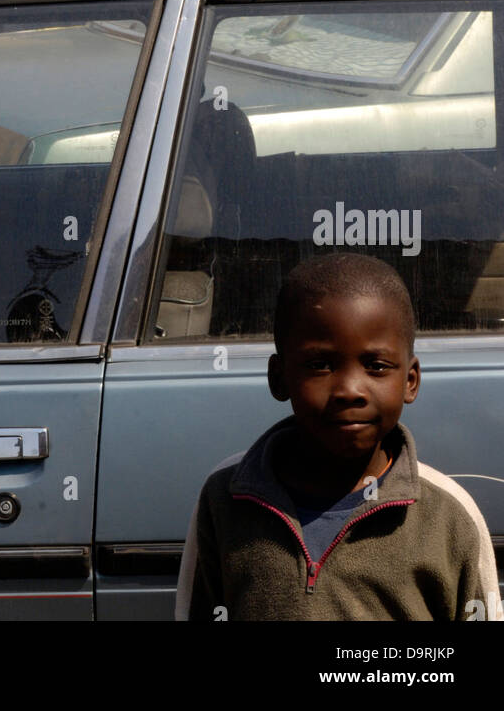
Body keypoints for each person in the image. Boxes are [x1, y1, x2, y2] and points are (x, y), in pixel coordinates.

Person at [176, 254, 500, 621]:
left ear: (410, 381)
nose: (349, 390)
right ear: (279, 378)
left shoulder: (449, 515)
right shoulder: (227, 496)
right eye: (320, 365)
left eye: (376, 366)